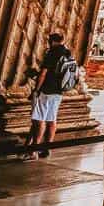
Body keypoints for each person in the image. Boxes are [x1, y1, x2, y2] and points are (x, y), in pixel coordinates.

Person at [23, 32, 76, 160]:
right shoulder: (68, 53)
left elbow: (44, 74)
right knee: (52, 120)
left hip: (46, 91)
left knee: (39, 120)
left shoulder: (52, 53)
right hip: (59, 92)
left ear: (52, 41)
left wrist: (36, 89)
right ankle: (47, 148)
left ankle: (33, 151)